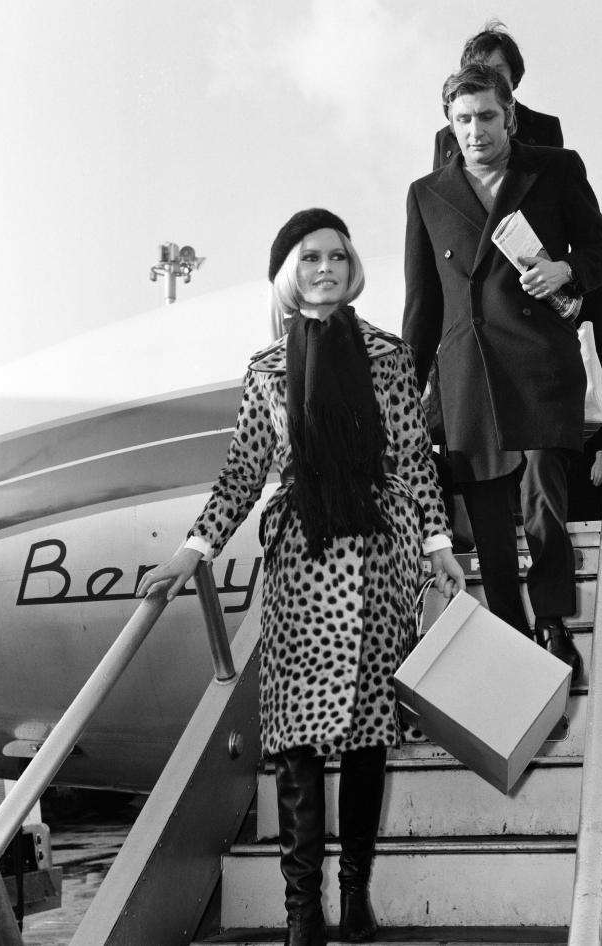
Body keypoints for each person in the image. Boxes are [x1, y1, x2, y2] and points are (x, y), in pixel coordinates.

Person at [138, 208, 465, 946]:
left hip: (380, 554)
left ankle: (353, 898)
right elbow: (243, 473)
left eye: (338, 257)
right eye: (311, 257)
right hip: (301, 561)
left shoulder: (388, 355)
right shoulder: (264, 370)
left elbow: (413, 457)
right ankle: (300, 910)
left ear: (353, 270)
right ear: (290, 272)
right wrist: (194, 548)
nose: (326, 268)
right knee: (294, 738)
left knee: (366, 735)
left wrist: (438, 542)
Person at [403, 64, 602, 682]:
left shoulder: (554, 169)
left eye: (487, 117)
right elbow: (421, 307)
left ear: (510, 115)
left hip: (540, 361)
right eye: (463, 119)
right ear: (450, 123)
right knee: (491, 520)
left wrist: (565, 271)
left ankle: (554, 626)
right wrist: (403, 393)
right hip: (468, 370)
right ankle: (511, 632)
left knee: (544, 493)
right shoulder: (426, 193)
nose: (476, 131)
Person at [432, 20, 563, 168]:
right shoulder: (445, 139)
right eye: (479, 72)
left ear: (513, 74)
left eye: (497, 71)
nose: (489, 80)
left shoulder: (545, 128)